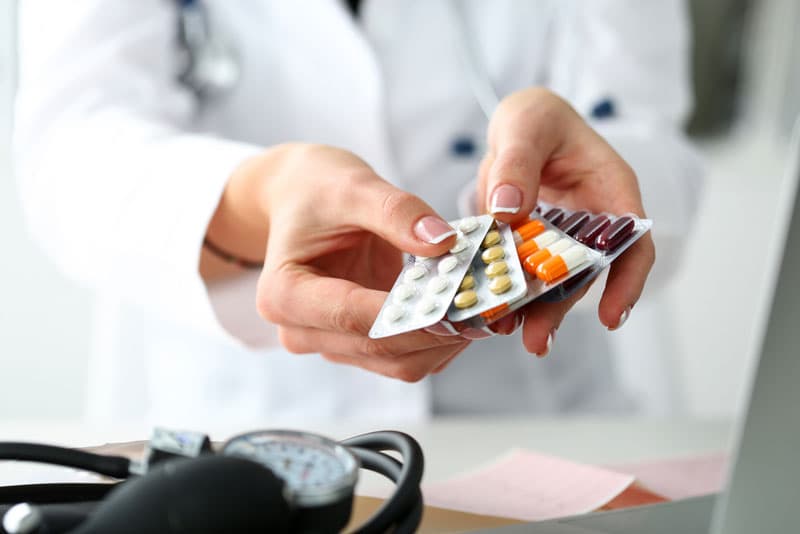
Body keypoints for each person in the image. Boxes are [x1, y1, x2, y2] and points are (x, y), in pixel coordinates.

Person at [14, 1, 697, 426]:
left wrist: (573, 198)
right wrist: (261, 196)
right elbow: (70, 151)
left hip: (530, 420)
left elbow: (646, 133)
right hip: (235, 425)